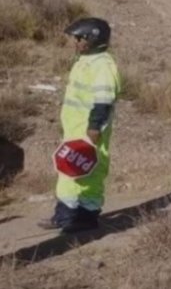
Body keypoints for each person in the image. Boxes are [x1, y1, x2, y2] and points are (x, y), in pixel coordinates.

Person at [38, 18, 120, 233]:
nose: (75, 42)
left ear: (92, 38)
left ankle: (87, 217)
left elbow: (103, 101)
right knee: (68, 171)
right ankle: (64, 215)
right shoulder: (84, 61)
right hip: (75, 130)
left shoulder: (103, 65)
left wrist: (94, 129)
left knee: (90, 172)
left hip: (90, 132)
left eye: (79, 38)